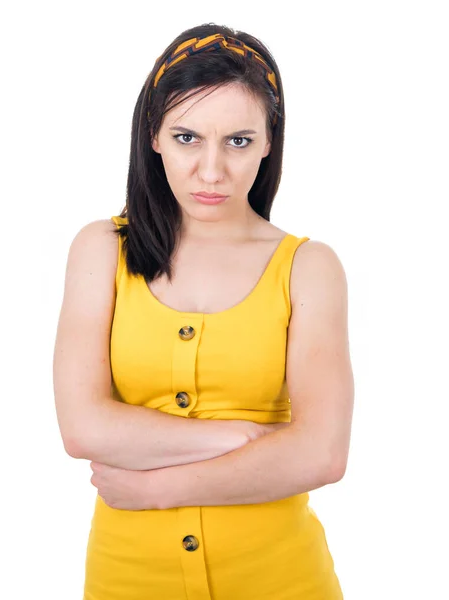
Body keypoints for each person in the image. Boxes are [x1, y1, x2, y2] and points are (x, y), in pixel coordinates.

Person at [53, 23, 354, 600]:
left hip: (283, 580)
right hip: (127, 581)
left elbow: (322, 454)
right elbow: (83, 427)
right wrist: (249, 437)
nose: (212, 171)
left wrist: (154, 488)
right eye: (188, 137)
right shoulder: (102, 249)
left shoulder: (309, 267)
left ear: (269, 142)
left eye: (238, 141)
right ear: (154, 136)